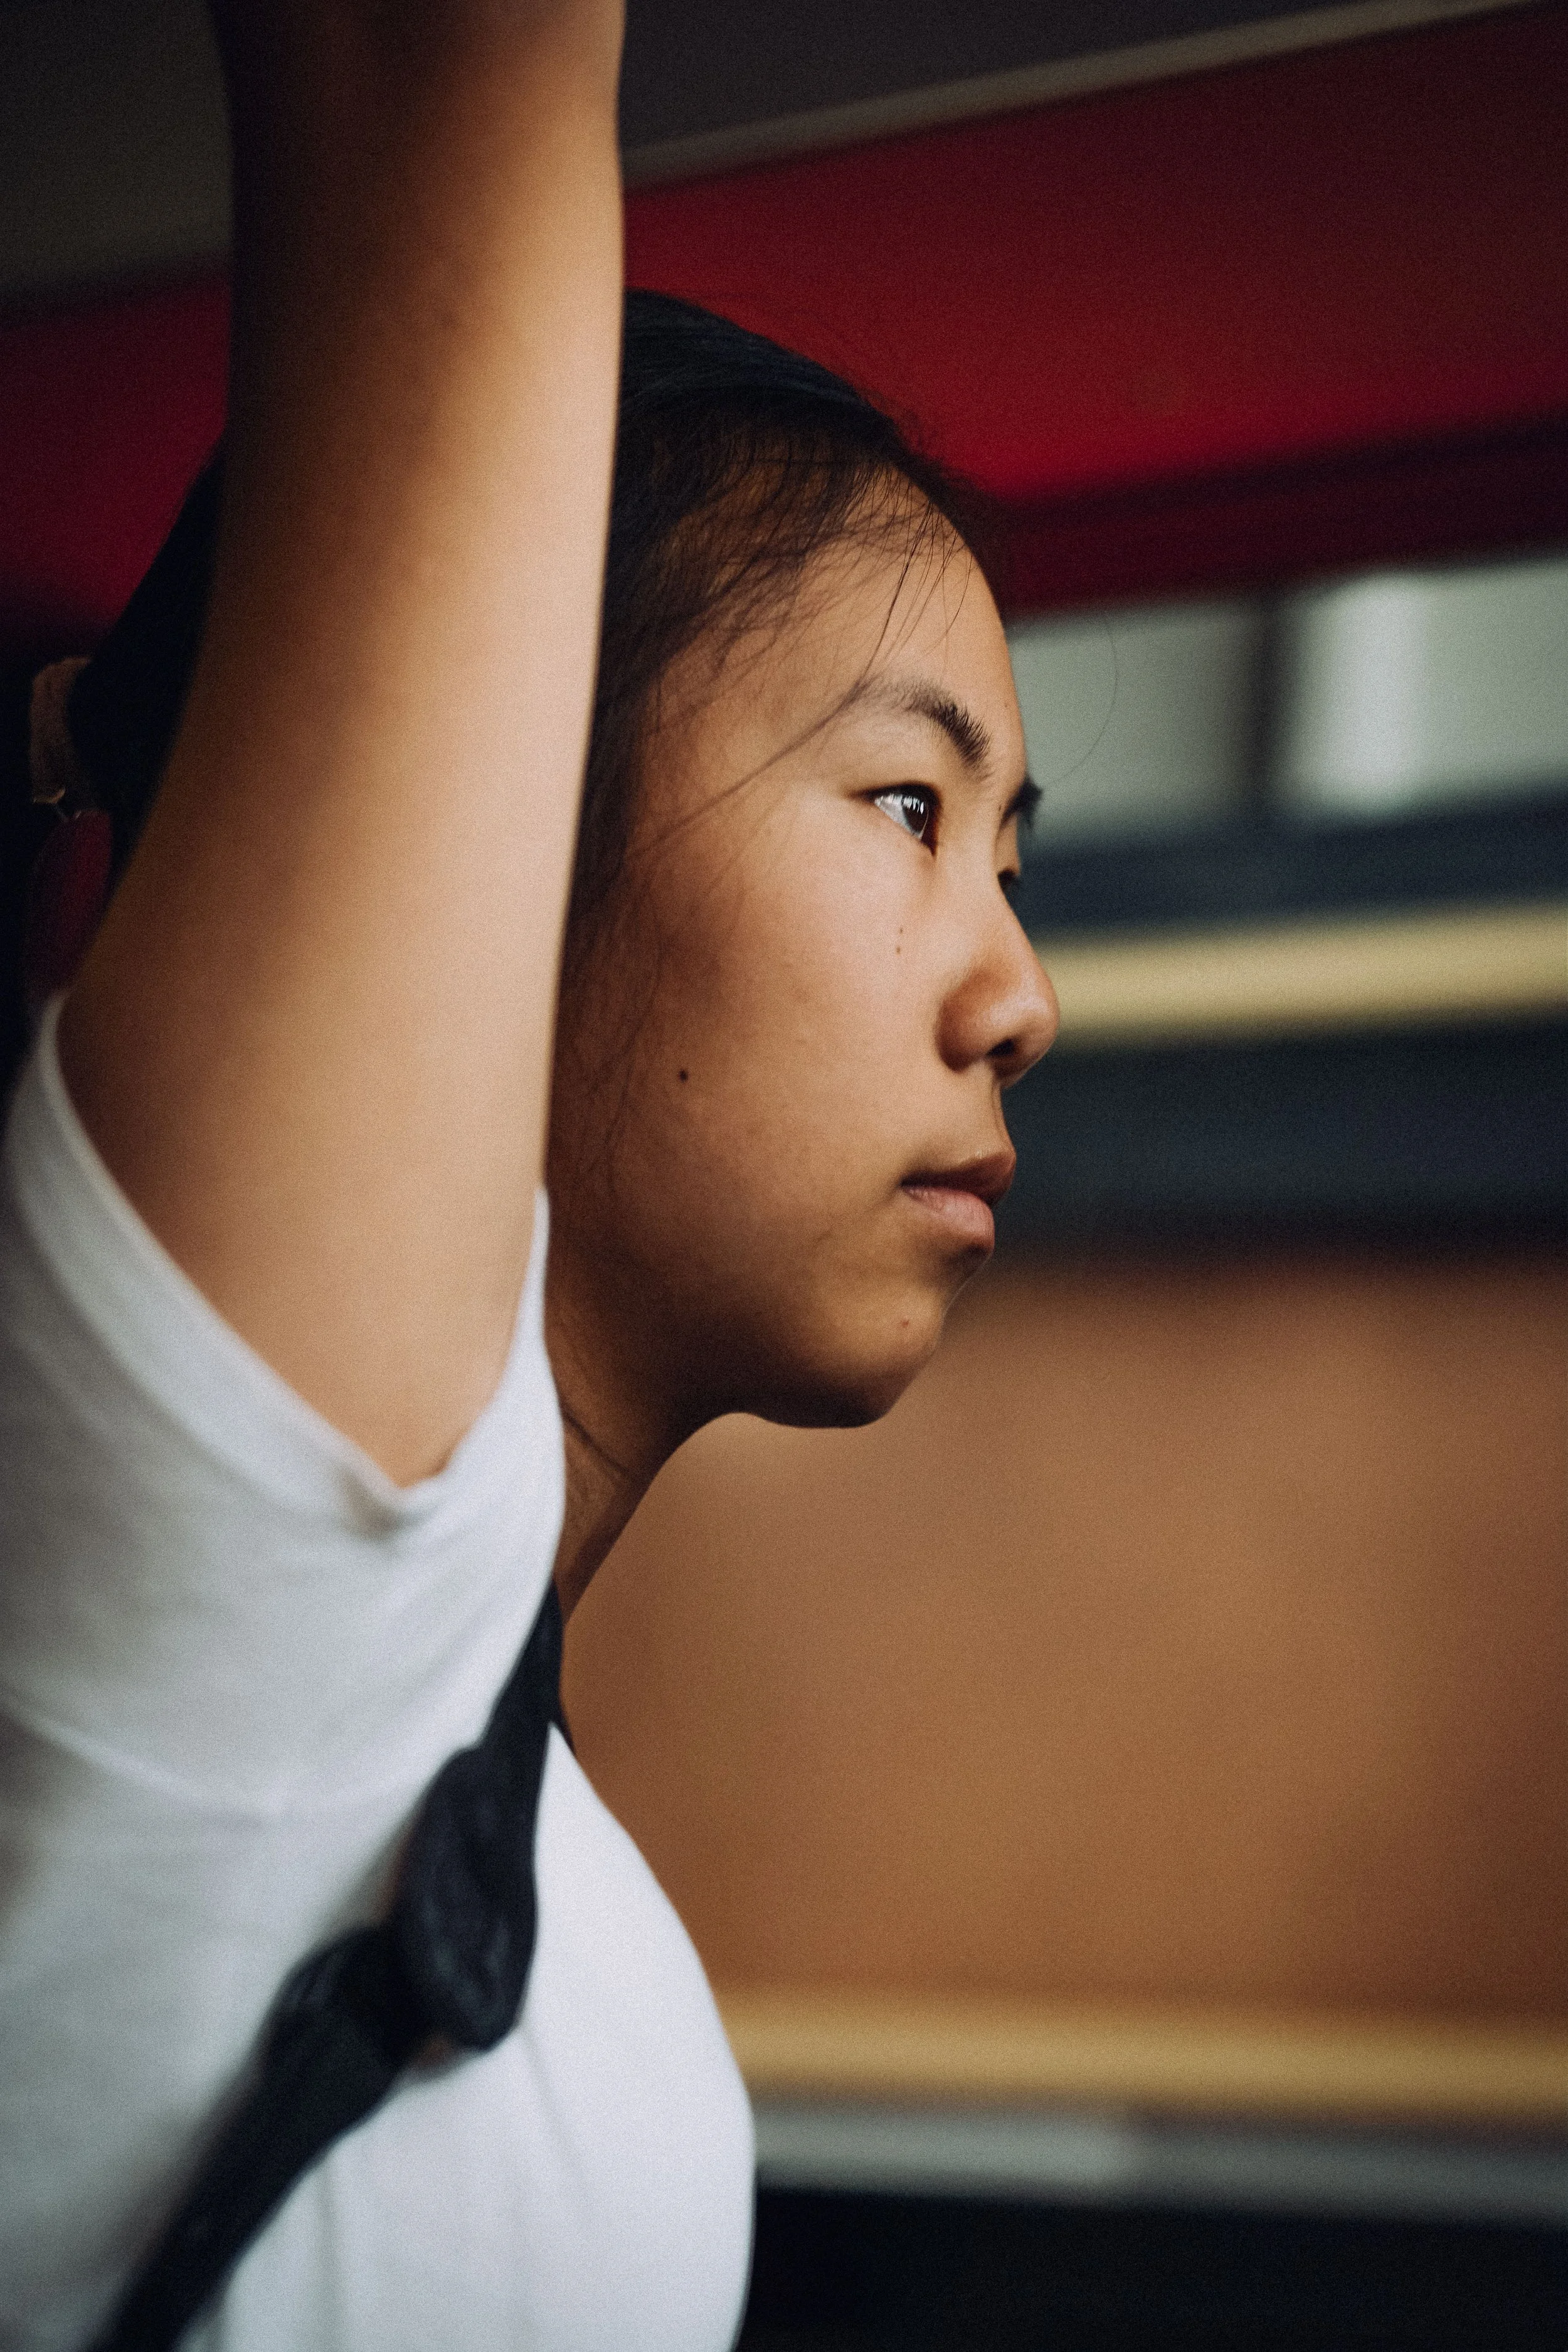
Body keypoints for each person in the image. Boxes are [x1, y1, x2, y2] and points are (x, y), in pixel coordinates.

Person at [0, 3, 1057, 2346]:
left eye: (1011, 849)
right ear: (475, 810)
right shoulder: (269, 1614)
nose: (1022, 992)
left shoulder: (480, 1811)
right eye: (906, 804)